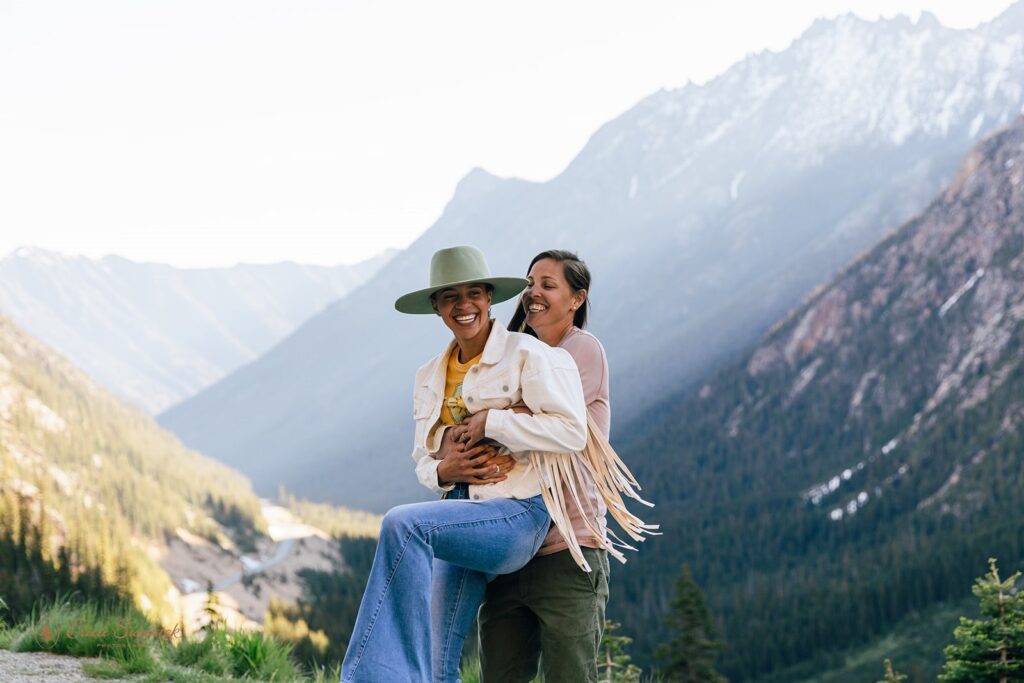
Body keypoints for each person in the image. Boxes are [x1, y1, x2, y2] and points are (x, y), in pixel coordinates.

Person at [340, 245, 589, 683]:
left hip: (517, 513)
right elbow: (423, 458)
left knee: (403, 525)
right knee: (438, 660)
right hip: (457, 514)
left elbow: (572, 431)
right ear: (437, 308)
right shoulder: (427, 376)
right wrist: (443, 470)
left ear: (489, 299)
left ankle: (366, 678)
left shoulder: (527, 355)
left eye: (474, 293)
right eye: (451, 297)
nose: (464, 305)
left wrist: (494, 421)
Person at [436, 250, 656, 682]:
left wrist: (489, 418)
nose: (532, 292)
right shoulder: (512, 355)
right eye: (530, 282)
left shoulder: (581, 351)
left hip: (568, 549)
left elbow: (520, 412)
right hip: (508, 551)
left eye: (548, 285)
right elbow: (459, 424)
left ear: (577, 299)